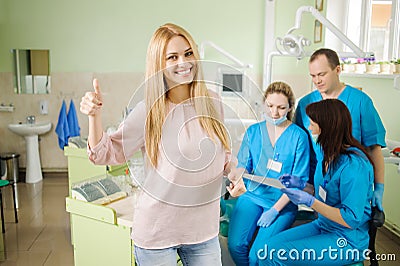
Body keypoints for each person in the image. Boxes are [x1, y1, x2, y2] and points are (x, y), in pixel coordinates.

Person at [80, 23, 238, 266]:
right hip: (157, 232)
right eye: (172, 57)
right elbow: (105, 154)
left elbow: (223, 155)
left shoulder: (213, 103)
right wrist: (94, 117)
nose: (183, 63)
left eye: (188, 53)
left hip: (203, 231)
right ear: (159, 65)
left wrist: (235, 173)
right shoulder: (149, 111)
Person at [294, 48, 386, 265]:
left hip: (350, 183)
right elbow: (302, 144)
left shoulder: (360, 101)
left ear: (338, 70)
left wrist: (379, 188)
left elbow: (374, 148)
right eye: (313, 76)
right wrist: (304, 185)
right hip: (323, 183)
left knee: (349, 230)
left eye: (322, 74)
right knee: (323, 236)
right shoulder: (306, 103)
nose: (317, 80)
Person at [258, 99, 374, 265]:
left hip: (347, 239)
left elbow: (350, 219)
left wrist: (310, 202)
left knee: (277, 255)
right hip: (324, 225)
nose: (310, 128)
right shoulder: (327, 155)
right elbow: (326, 191)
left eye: (313, 124)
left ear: (328, 128)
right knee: (267, 249)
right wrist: (302, 186)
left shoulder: (354, 166)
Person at [226, 81, 310, 266]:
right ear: (264, 104)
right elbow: (243, 166)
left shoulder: (299, 137)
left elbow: (298, 182)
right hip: (252, 196)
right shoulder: (254, 132)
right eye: (270, 106)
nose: (274, 112)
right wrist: (236, 178)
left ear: (289, 108)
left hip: (281, 203)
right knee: (236, 246)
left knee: (259, 255)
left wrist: (275, 210)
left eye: (281, 108)